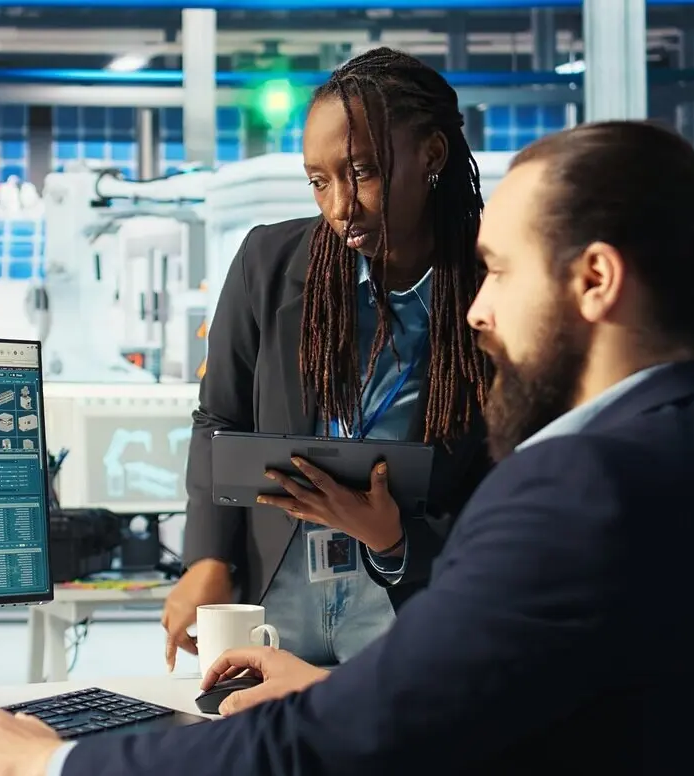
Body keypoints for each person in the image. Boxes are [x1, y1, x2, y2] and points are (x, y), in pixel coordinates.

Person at [0, 120, 694, 775]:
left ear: (595, 279)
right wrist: (335, 694)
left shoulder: (578, 483)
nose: (477, 312)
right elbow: (567, 706)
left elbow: (324, 753)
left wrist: (48, 762)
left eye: (503, 272)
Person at [163, 47, 495, 669]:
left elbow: (500, 484)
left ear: (431, 156)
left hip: (410, 600)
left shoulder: (491, 290)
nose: (341, 206)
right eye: (320, 181)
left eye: (363, 172)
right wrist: (206, 559)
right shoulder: (267, 264)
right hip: (274, 591)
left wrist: (393, 539)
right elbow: (219, 419)